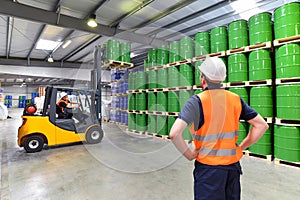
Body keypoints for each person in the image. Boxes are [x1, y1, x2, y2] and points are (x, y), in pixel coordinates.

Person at [170, 57, 269, 200]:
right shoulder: (235, 99)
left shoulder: (197, 101)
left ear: (203, 79)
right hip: (232, 167)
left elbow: (174, 133)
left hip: (209, 170)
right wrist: (240, 147)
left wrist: (189, 154)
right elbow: (261, 125)